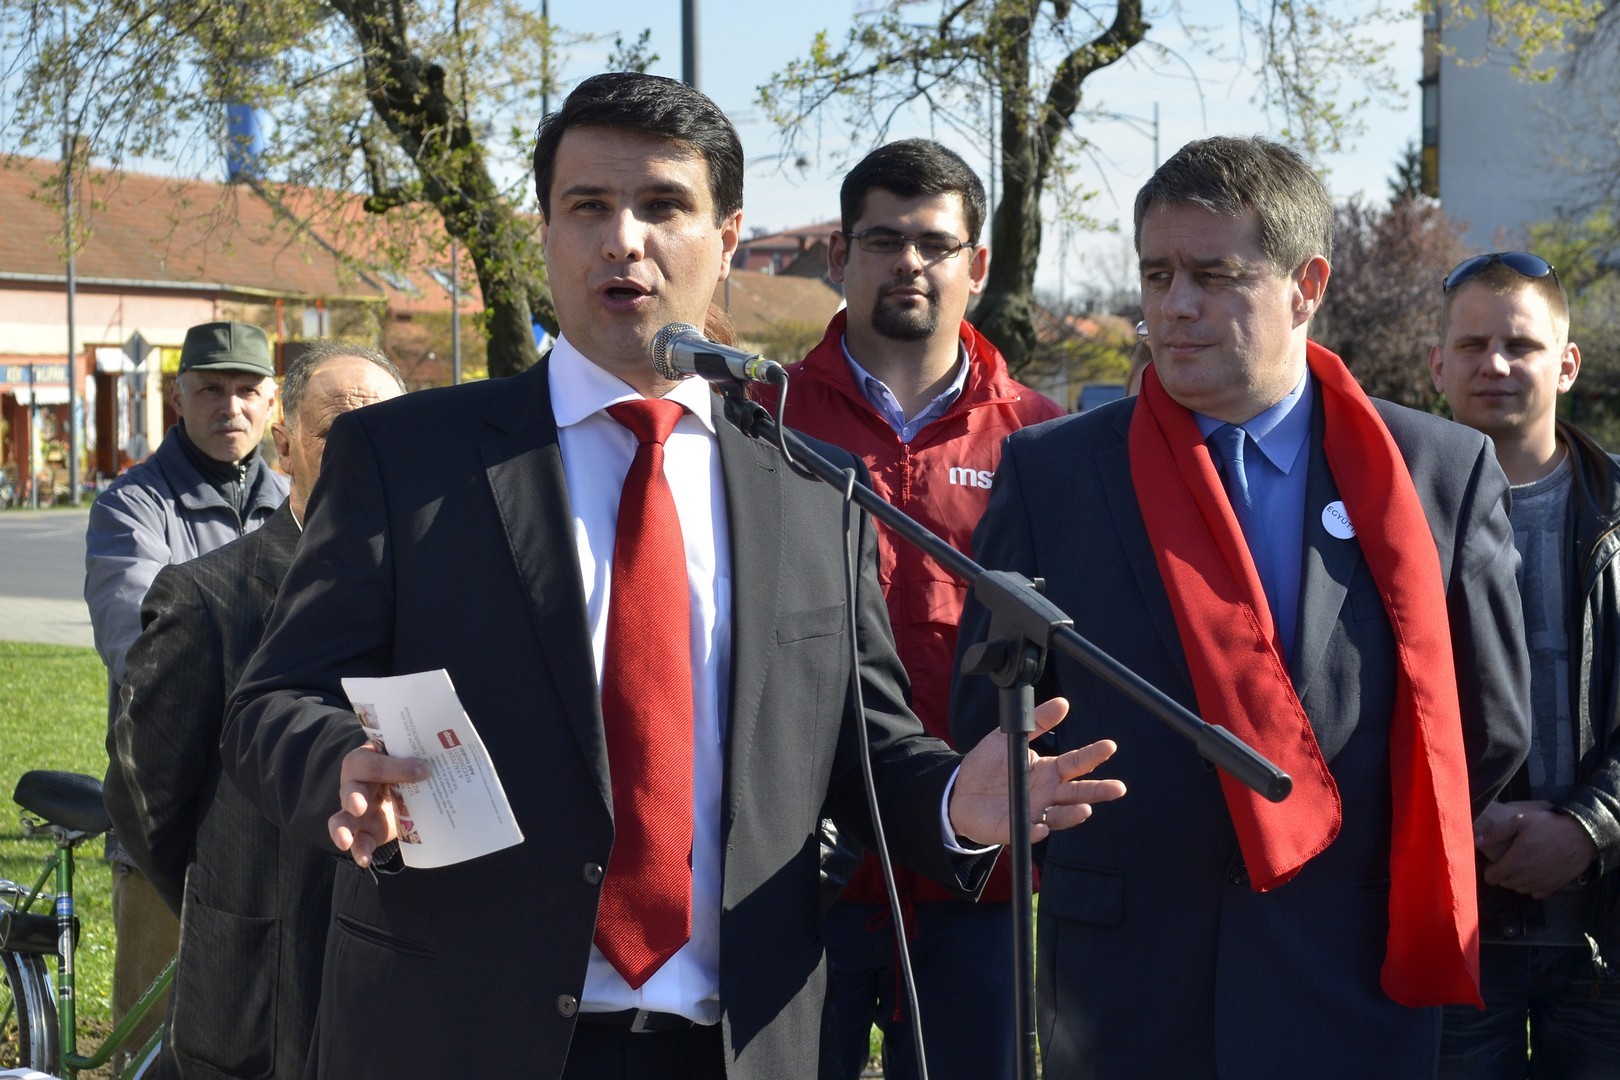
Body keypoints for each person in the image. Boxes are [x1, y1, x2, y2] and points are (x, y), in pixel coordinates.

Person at [219, 72, 1124, 1079]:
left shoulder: (812, 487)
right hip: (463, 1030)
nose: (624, 239)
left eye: (662, 205)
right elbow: (272, 702)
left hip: (737, 1043)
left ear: (727, 239)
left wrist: (957, 800)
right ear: (545, 234)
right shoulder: (407, 459)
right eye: (588, 207)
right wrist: (338, 763)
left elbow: (866, 749)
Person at [952, 135, 1533, 1078]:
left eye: (1213, 276)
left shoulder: (1439, 471)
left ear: (1307, 285)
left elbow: (1489, 729)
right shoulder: (1053, 472)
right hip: (1123, 984)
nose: (1174, 306)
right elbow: (989, 720)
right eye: (1157, 275)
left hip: (1351, 971)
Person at [754, 138, 1063, 1080]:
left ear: (978, 263)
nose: (910, 263)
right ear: (838, 257)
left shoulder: (1046, 440)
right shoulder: (759, 421)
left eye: (935, 243)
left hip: (982, 879)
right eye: (883, 240)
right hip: (796, 877)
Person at [102, 342, 406, 1079]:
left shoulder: (446, 595)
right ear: (286, 445)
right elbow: (147, 799)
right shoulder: (208, 599)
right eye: (340, 431)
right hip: (262, 994)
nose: (370, 450)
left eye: (389, 431)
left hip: (402, 991)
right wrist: (228, 898)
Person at [1428, 251, 1620, 1078]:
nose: (1495, 365)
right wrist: (1461, 823)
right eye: (1472, 345)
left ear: (1566, 364)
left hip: (1606, 935)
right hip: (1453, 930)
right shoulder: (1376, 520)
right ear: (1437, 366)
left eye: (1521, 345)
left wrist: (1590, 827)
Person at [84, 318, 287, 1057]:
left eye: (247, 390)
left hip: (277, 814)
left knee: (272, 1034)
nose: (230, 406)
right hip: (166, 818)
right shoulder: (133, 507)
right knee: (156, 1040)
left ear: (272, 402)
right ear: (178, 396)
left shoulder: (300, 502)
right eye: (210, 389)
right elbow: (141, 649)